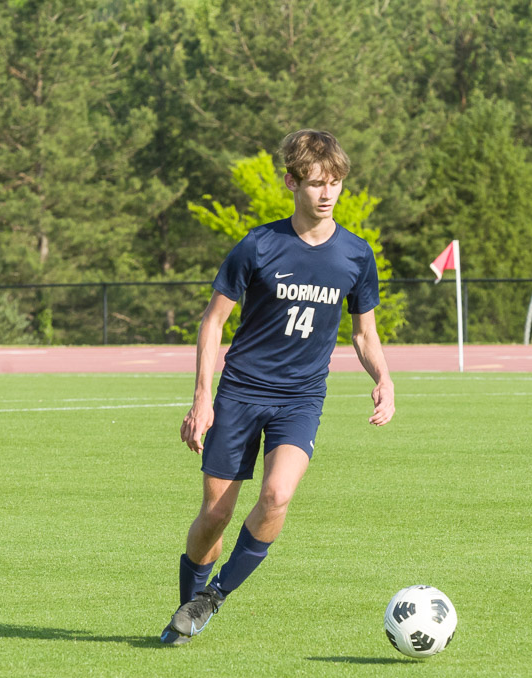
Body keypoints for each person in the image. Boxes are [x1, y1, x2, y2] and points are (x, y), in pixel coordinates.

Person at [161, 130, 394, 646]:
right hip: (241, 391)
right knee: (215, 516)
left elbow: (364, 333)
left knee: (277, 495)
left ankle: (210, 600)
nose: (326, 193)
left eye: (334, 183)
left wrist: (384, 379)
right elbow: (212, 322)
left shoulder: (356, 255)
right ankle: (186, 607)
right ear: (291, 182)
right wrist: (202, 398)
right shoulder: (258, 245)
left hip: (300, 399)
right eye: (315, 183)